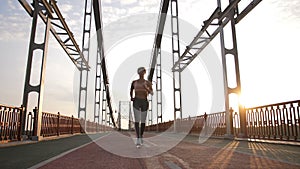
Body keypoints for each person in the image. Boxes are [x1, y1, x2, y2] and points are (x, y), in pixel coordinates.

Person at [130, 67, 153, 147]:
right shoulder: (134, 82)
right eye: (140, 71)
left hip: (144, 101)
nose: (141, 73)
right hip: (136, 101)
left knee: (143, 120)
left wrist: (146, 88)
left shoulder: (148, 82)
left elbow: (152, 92)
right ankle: (138, 137)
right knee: (137, 120)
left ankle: (141, 135)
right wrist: (131, 97)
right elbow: (131, 90)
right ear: (138, 73)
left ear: (145, 72)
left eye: (143, 71)